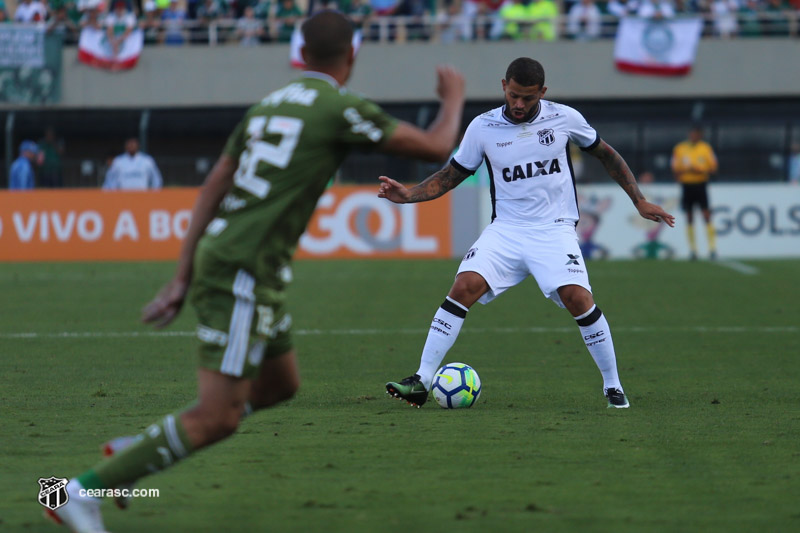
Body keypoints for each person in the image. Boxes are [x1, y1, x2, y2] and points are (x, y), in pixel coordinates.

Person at [47, 10, 464, 533]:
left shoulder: (268, 105)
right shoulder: (336, 108)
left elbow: (213, 186)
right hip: (241, 270)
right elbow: (434, 145)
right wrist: (451, 99)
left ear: (300, 54)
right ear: (352, 57)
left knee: (279, 385)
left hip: (242, 263)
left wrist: (182, 274)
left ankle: (141, 451)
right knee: (218, 416)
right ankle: (74, 492)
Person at [380, 57, 674, 411]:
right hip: (505, 230)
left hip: (554, 230)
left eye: (528, 99)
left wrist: (638, 199)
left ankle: (613, 385)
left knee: (578, 298)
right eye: (514, 96)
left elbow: (607, 155)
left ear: (542, 93)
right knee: (462, 288)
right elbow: (452, 174)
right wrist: (409, 195)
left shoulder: (564, 118)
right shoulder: (482, 126)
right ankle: (422, 380)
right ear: (504, 85)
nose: (519, 105)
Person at [671, 125, 718, 260]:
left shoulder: (706, 148)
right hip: (687, 185)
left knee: (706, 214)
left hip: (701, 184)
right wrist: (686, 171)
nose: (693, 136)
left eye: (696, 134)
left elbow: (713, 168)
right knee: (689, 216)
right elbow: (675, 169)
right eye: (692, 134)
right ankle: (693, 250)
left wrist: (699, 170)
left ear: (700, 135)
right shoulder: (680, 149)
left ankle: (712, 248)